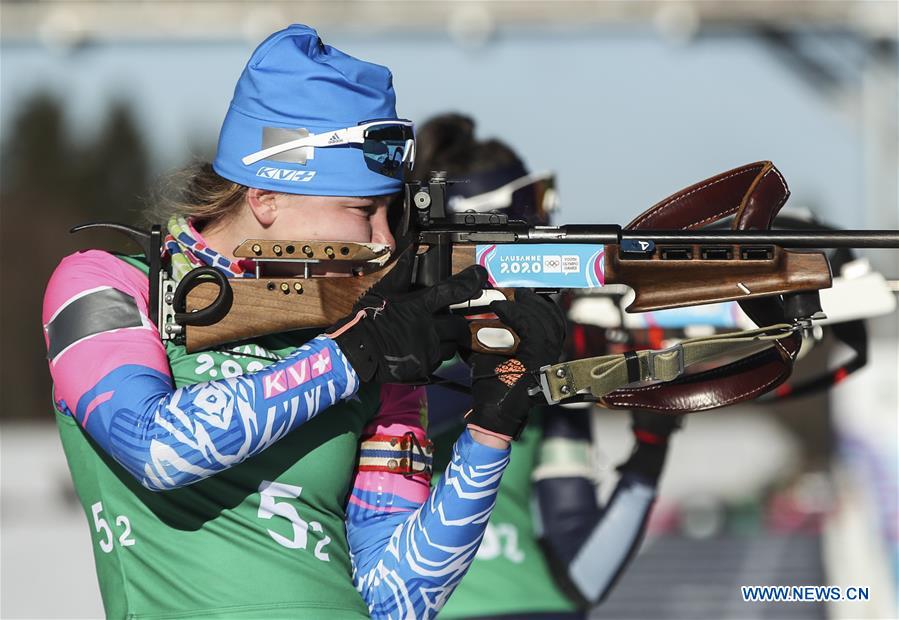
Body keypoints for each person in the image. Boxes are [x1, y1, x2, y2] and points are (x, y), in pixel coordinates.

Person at [42, 27, 565, 619]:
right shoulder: (104, 282)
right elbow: (158, 447)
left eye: (390, 212)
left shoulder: (367, 332)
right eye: (362, 210)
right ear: (266, 197)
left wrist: (491, 430)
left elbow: (397, 601)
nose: (384, 239)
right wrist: (355, 353)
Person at [415, 114, 681, 619]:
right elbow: (413, 399)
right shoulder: (399, 353)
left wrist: (652, 441)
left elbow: (584, 574)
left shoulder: (550, 371)